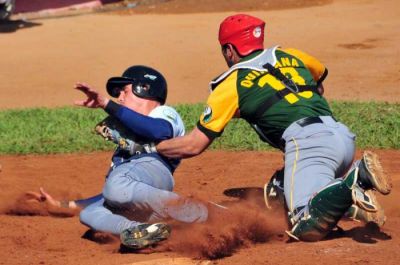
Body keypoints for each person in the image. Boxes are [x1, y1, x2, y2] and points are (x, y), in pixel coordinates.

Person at [152, 14, 392, 241]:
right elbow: (317, 84)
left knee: (304, 224)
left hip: (309, 145)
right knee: (277, 195)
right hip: (342, 137)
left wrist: (154, 147)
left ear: (229, 50)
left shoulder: (231, 84)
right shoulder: (290, 55)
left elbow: (194, 145)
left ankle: (355, 179)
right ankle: (351, 205)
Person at [31, 65, 209, 249]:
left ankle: (191, 209)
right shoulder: (122, 160)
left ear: (145, 89)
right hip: (142, 201)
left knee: (116, 185)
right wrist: (61, 205)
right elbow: (113, 194)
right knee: (90, 214)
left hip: (153, 170)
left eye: (124, 91)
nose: (119, 98)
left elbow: (158, 131)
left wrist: (107, 105)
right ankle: (142, 231)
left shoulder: (162, 113)